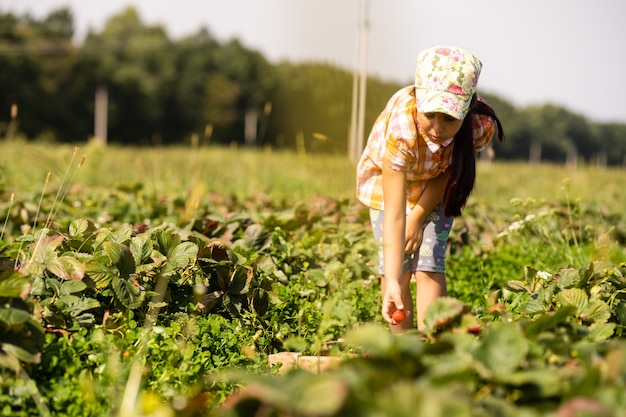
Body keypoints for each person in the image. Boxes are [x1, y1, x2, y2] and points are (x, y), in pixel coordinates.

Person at [356, 45, 505, 331]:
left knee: (428, 263)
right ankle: (405, 348)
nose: (437, 127)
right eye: (431, 115)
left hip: (437, 180)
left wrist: (419, 216)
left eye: (449, 119)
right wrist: (392, 280)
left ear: (466, 112)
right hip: (388, 184)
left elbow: (450, 172)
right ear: (418, 100)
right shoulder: (403, 127)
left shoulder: (478, 125)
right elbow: (395, 213)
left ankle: (434, 344)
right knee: (396, 269)